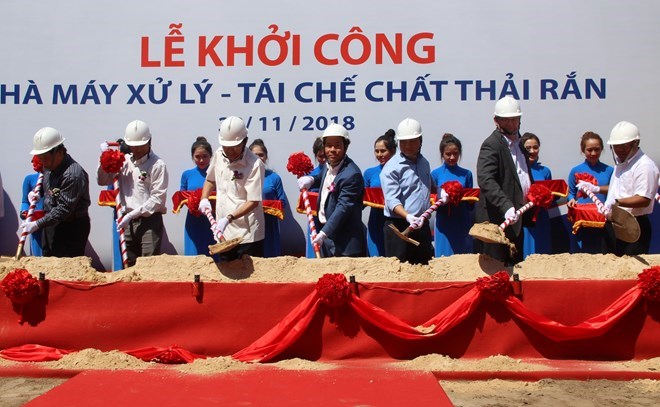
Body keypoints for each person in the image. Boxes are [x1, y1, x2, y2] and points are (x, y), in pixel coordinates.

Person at [97, 120, 168, 267]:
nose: (136, 150)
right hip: (125, 222)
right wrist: (104, 160)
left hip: (148, 221)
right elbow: (102, 180)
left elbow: (158, 199)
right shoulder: (123, 161)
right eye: (133, 146)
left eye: (140, 146)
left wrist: (132, 214)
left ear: (149, 142)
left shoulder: (158, 165)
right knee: (128, 265)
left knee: (148, 265)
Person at [475, 96, 532, 264]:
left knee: (515, 267)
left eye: (515, 119)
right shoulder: (491, 145)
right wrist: (506, 206)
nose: (512, 124)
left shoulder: (520, 144)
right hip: (497, 220)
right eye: (507, 121)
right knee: (497, 271)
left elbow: (521, 174)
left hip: (518, 219)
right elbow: (486, 179)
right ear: (496, 121)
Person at [200, 116, 265, 260]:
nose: (230, 151)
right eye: (226, 147)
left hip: (247, 236)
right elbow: (210, 179)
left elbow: (253, 201)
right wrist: (204, 198)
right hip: (223, 234)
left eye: (234, 147)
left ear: (245, 141)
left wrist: (229, 218)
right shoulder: (218, 154)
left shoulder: (254, 165)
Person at [297, 123, 365, 257]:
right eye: (328, 145)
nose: (332, 150)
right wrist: (312, 179)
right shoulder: (328, 165)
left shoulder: (352, 174)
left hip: (345, 244)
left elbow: (343, 208)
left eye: (337, 145)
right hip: (328, 239)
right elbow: (323, 176)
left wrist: (323, 233)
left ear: (346, 146)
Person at [23, 127, 91, 257]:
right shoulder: (49, 166)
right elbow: (49, 188)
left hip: (70, 228)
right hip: (51, 224)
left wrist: (37, 224)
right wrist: (39, 194)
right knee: (48, 264)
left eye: (45, 158)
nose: (43, 162)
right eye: (40, 158)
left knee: (65, 269)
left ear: (59, 152)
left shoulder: (73, 174)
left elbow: (63, 209)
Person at [380, 118, 434, 265]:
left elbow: (427, 186)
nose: (408, 145)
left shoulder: (424, 163)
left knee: (424, 271)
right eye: (404, 142)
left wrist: (442, 191)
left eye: (413, 141)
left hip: (421, 226)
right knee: (400, 273)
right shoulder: (391, 168)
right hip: (399, 228)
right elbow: (392, 201)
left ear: (420, 141)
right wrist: (408, 216)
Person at [601, 121, 659, 255]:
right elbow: (620, 188)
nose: (619, 150)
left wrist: (617, 202)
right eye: (616, 146)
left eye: (624, 146)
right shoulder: (621, 163)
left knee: (628, 269)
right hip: (614, 222)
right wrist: (597, 189)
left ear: (635, 144)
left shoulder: (645, 166)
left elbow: (644, 199)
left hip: (633, 224)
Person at [566, 131, 613, 254]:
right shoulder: (575, 170)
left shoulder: (609, 170)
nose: (593, 153)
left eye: (597, 149)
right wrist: (571, 199)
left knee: (603, 251)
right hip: (583, 219)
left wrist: (597, 188)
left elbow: (614, 190)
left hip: (603, 219)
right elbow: (571, 192)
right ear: (583, 150)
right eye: (589, 150)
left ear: (602, 149)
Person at [431, 133, 474, 257]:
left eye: (455, 153)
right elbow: (431, 199)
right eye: (448, 154)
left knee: (463, 258)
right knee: (444, 257)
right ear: (442, 154)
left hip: (462, 220)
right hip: (444, 222)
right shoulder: (435, 174)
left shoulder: (467, 174)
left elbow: (470, 201)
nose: (452, 157)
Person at [249, 138, 288, 257]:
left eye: (261, 155)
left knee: (270, 256)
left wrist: (269, 207)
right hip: (250, 223)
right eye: (255, 155)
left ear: (266, 157)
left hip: (269, 224)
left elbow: (282, 201)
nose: (259, 158)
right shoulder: (243, 177)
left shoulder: (274, 178)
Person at [363, 129, 396, 257]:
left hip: (395, 219)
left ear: (392, 151)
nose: (379, 154)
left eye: (383, 151)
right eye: (377, 151)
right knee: (376, 259)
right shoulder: (369, 173)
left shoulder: (401, 171)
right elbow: (364, 199)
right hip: (375, 221)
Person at [180, 137, 215, 256]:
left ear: (210, 156)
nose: (201, 160)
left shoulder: (217, 172)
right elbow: (182, 197)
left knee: (214, 257)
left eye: (205, 156)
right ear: (192, 157)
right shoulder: (187, 175)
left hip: (213, 221)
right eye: (197, 157)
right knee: (193, 257)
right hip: (193, 220)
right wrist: (192, 203)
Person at [520, 132, 552, 258]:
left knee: (542, 252)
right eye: (528, 148)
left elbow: (552, 195)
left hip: (542, 217)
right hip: (524, 216)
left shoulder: (545, 171)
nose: (532, 151)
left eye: (535, 147)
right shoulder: (519, 171)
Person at [305, 137, 326, 258]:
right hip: (314, 219)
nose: (323, 159)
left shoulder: (337, 173)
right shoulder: (310, 175)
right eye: (320, 156)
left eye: (325, 156)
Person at [20, 156, 44, 256]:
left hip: (52, 219)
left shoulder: (57, 178)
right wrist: (24, 212)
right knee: (37, 253)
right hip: (35, 221)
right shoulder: (29, 179)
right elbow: (25, 201)